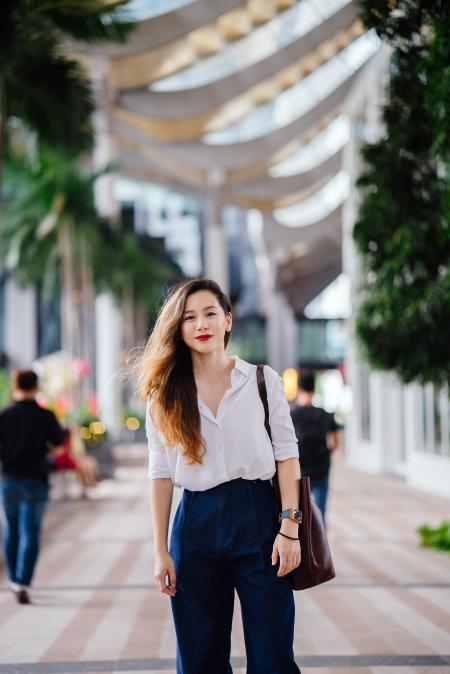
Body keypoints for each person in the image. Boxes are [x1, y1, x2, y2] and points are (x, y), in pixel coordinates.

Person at [138, 278, 302, 674]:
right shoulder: (164, 395)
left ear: (228, 321)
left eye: (210, 313)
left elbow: (287, 457)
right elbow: (160, 475)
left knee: (273, 655)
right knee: (199, 657)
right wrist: (161, 550)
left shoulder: (263, 381)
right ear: (178, 328)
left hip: (260, 518)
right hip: (195, 523)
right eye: (189, 317)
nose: (201, 324)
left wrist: (290, 527)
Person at [0, 369, 64, 604]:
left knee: (12, 531)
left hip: (9, 481)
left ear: (15, 385)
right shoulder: (45, 415)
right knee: (31, 533)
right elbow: (58, 449)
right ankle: (23, 582)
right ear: (36, 387)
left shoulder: (4, 415)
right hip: (36, 480)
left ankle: (13, 579)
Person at [290, 370, 341, 526]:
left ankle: (299, 544)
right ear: (314, 388)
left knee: (296, 515)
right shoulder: (325, 414)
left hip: (298, 473)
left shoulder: (291, 415)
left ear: (299, 388)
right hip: (321, 470)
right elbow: (334, 443)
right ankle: (320, 549)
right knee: (320, 516)